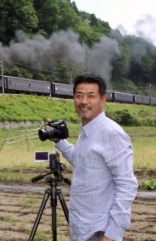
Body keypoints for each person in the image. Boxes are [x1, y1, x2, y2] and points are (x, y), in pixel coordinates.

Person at [52, 73, 138, 241]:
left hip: (98, 231)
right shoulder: (87, 131)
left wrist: (112, 234)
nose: (84, 101)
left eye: (91, 96)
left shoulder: (111, 133)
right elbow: (80, 160)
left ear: (103, 100)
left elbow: (127, 185)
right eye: (79, 95)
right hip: (81, 227)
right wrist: (58, 140)